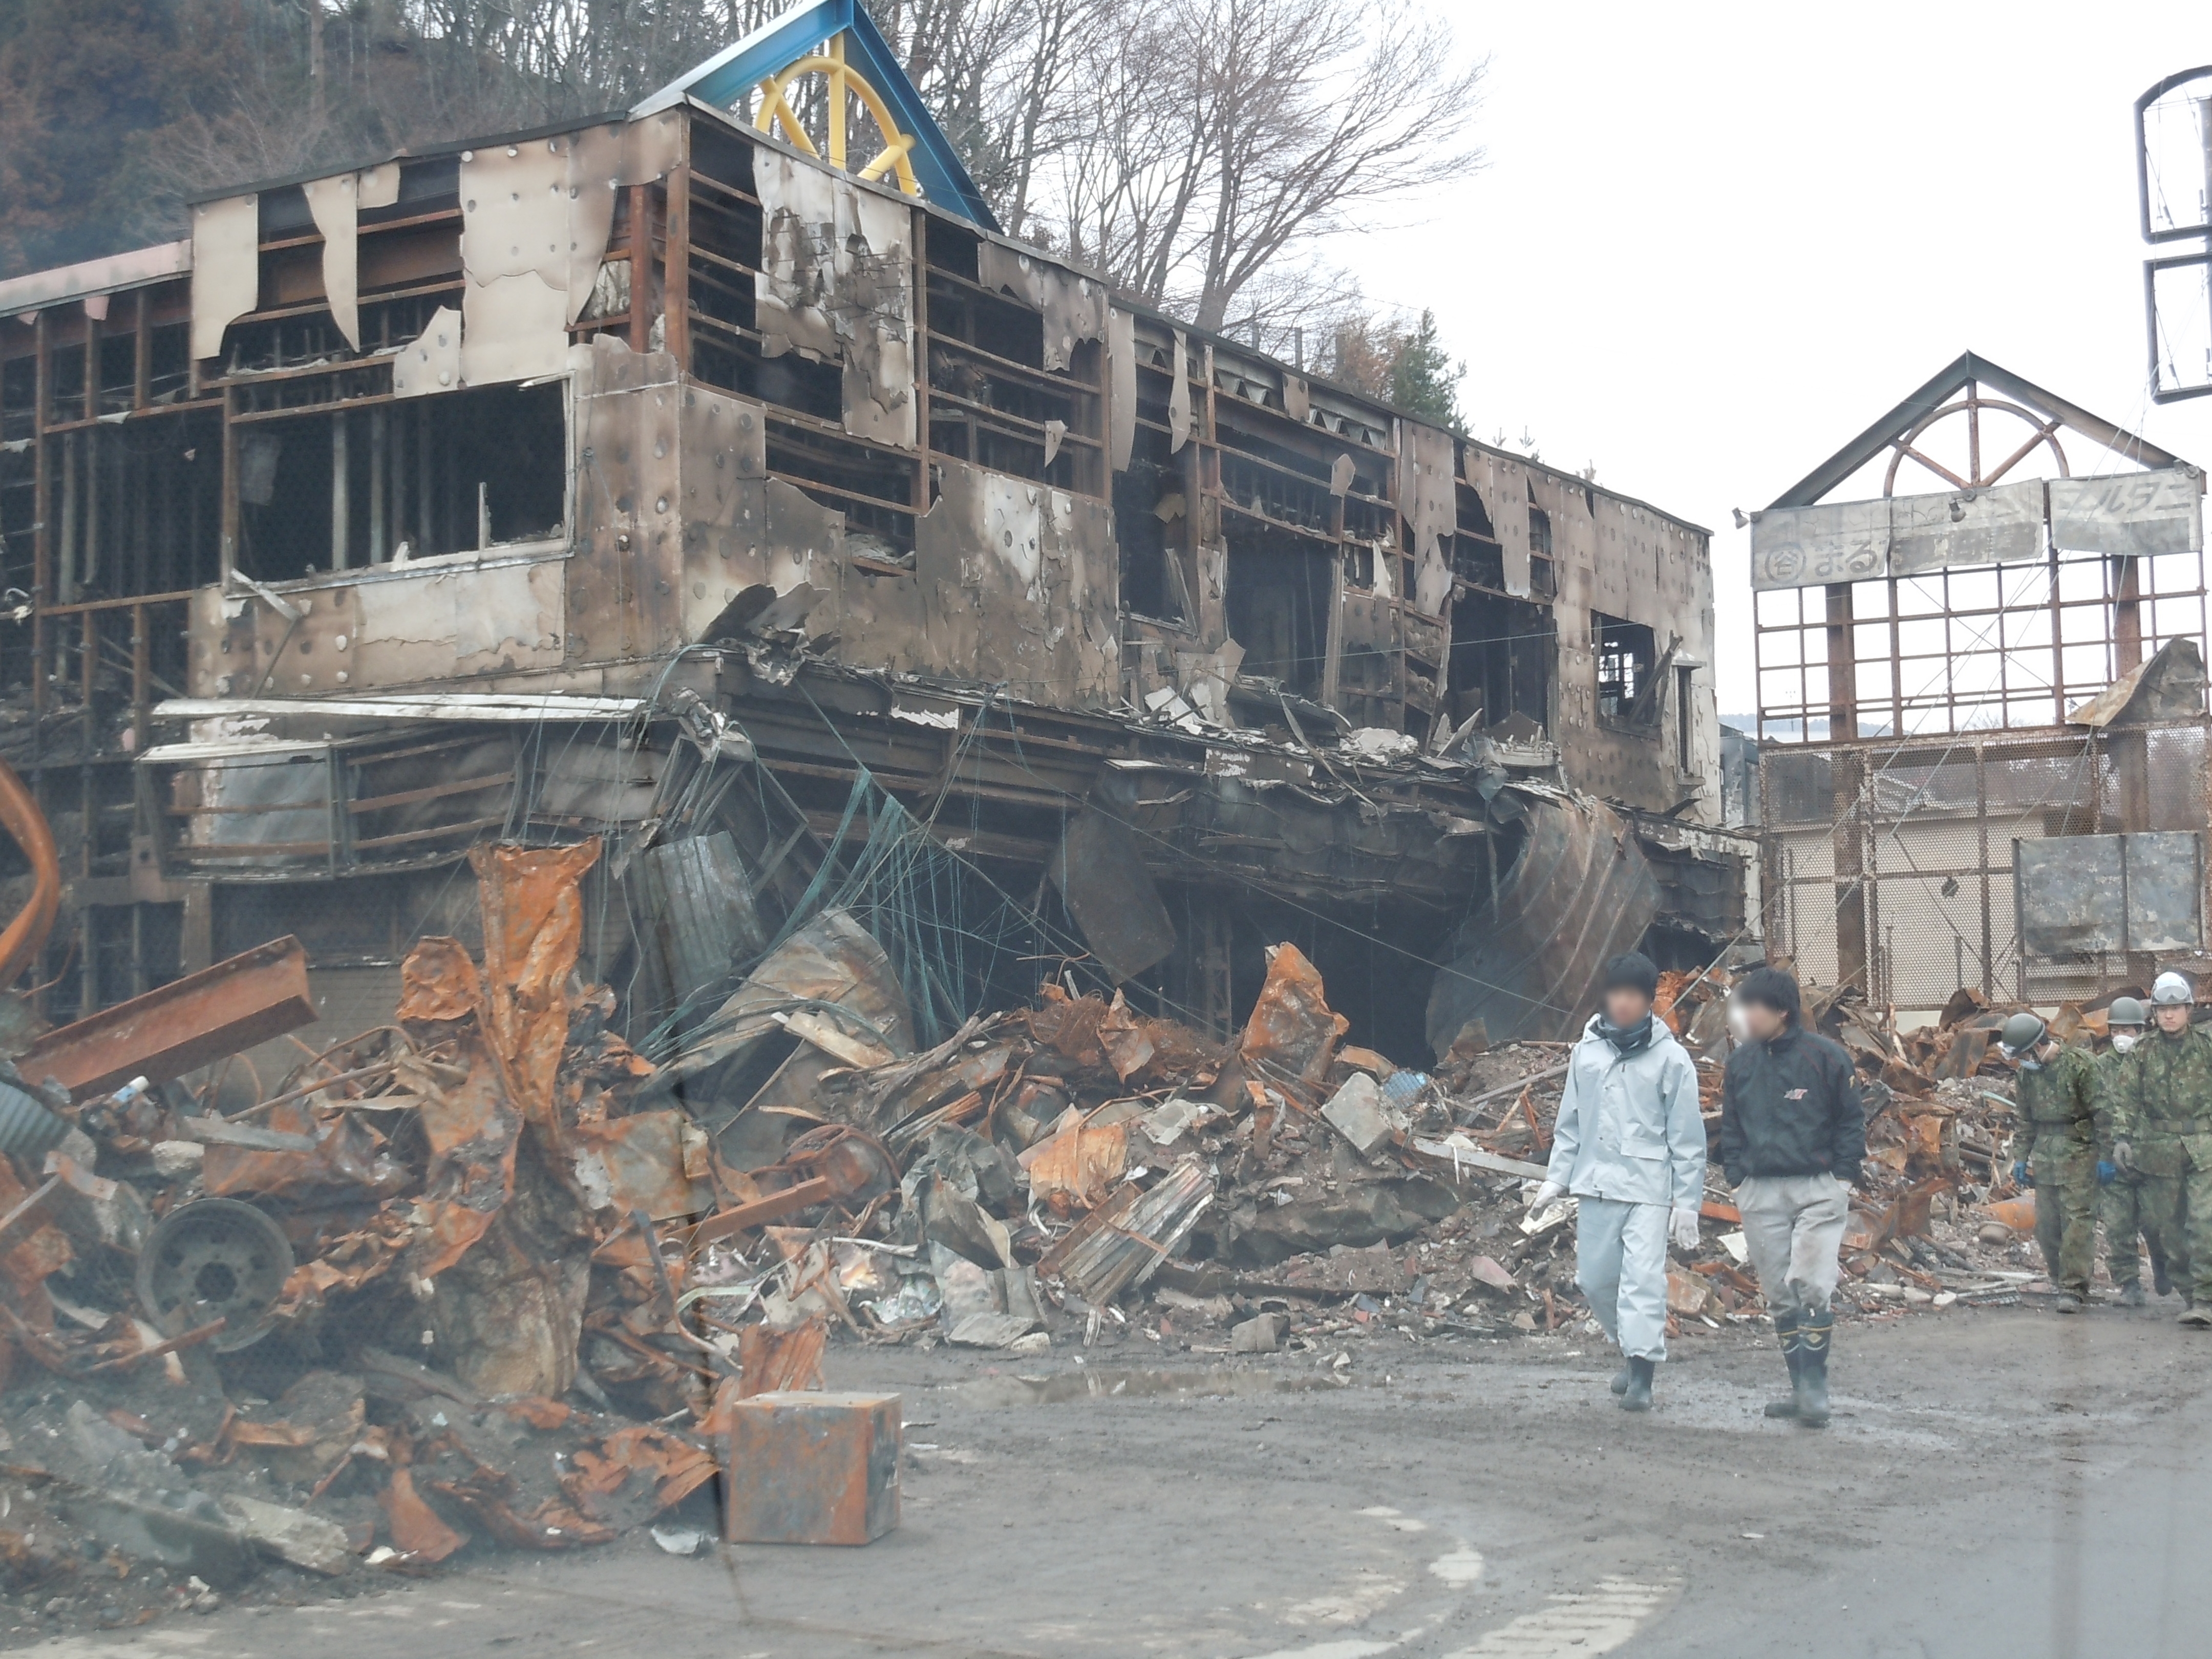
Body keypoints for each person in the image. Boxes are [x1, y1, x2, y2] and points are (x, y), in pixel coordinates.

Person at [1528, 952, 1704, 1413]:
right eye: (1616, 994)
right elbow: (1570, 1124)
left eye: (1633, 995)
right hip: (1597, 1184)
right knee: (1596, 1280)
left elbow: (1687, 1137)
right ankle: (1630, 1349)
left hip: (1648, 1188)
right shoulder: (1588, 1053)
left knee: (1642, 1281)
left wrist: (1687, 1201)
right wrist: (1556, 1179)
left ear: (1649, 1001)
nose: (1623, 1003)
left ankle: (1642, 1376)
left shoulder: (1671, 1059)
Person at [1718, 965, 1863, 1428]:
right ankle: (1800, 1388)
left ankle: (1816, 1390)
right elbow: (1730, 1126)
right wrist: (1737, 1180)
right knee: (1780, 1294)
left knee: (1813, 1284)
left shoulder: (1827, 1058)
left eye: (1753, 1007)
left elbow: (1851, 1121)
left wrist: (1843, 1179)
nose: (1746, 1016)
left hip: (1817, 1188)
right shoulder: (1741, 1064)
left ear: (1781, 1011)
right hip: (1760, 1191)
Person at [2107, 972, 2212, 1327]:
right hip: (2159, 1152)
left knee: (2204, 1222)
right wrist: (2122, 1139)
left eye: (2176, 1008)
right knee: (2168, 1231)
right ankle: (2191, 1294)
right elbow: (2126, 1099)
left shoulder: (2206, 1046)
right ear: (2154, 1013)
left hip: (2203, 1147)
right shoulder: (2143, 1052)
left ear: (2188, 1010)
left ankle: (2206, 1298)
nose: (2169, 1015)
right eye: (2163, 1009)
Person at [2000, 1011, 2099, 1313]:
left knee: (2076, 1226)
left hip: (2079, 1155)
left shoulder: (2081, 1066)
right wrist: (2020, 1158)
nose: (2021, 1062)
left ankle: (2074, 1288)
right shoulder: (2026, 1076)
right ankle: (2059, 1280)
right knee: (2046, 1228)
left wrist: (2108, 1155)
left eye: (2023, 1056)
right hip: (2046, 1158)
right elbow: (2025, 1121)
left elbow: (2104, 1113)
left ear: (2037, 1047)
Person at [2093, 997, 2168, 1305]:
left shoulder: (2156, 1060)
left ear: (2140, 1030)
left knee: (2157, 1223)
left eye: (2128, 1030)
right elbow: (2097, 1114)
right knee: (2118, 1225)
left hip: (2152, 1156)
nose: (2121, 1036)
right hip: (2115, 1157)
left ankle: (2163, 1265)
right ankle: (2129, 1285)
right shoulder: (2101, 1066)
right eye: (2116, 1030)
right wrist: (2103, 1156)